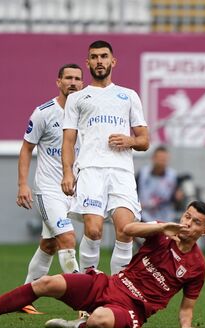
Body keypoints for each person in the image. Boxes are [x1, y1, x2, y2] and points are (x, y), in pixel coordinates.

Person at [0, 201, 205, 328]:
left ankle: (77, 324)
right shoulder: (162, 232)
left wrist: (186, 326)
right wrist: (162, 226)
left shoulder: (197, 267)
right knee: (46, 283)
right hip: (109, 285)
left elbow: (187, 307)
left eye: (196, 222)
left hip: (132, 308)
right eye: (187, 216)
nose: (188, 223)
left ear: (204, 232)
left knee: (100, 318)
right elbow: (127, 229)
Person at [61, 40, 149, 275]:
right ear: (87, 62)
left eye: (103, 56)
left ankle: (117, 294)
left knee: (126, 231)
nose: (99, 61)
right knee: (93, 230)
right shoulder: (77, 98)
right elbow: (68, 140)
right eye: (94, 57)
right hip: (91, 170)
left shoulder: (128, 96)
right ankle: (89, 292)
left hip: (121, 172)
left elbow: (144, 140)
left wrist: (129, 140)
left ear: (113, 61)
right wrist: (68, 172)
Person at [16, 64, 84, 314]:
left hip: (76, 192)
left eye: (78, 78)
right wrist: (22, 184)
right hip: (50, 190)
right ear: (58, 82)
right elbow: (26, 149)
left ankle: (23, 297)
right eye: (68, 78)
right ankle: (82, 301)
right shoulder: (43, 113)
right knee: (67, 238)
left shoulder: (85, 113)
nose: (73, 82)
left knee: (49, 245)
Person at [136, 145, 184, 222]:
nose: (162, 162)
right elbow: (134, 191)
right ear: (153, 158)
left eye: (164, 159)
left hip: (165, 218)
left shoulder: (173, 176)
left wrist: (178, 197)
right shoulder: (143, 173)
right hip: (144, 216)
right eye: (159, 158)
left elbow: (175, 197)